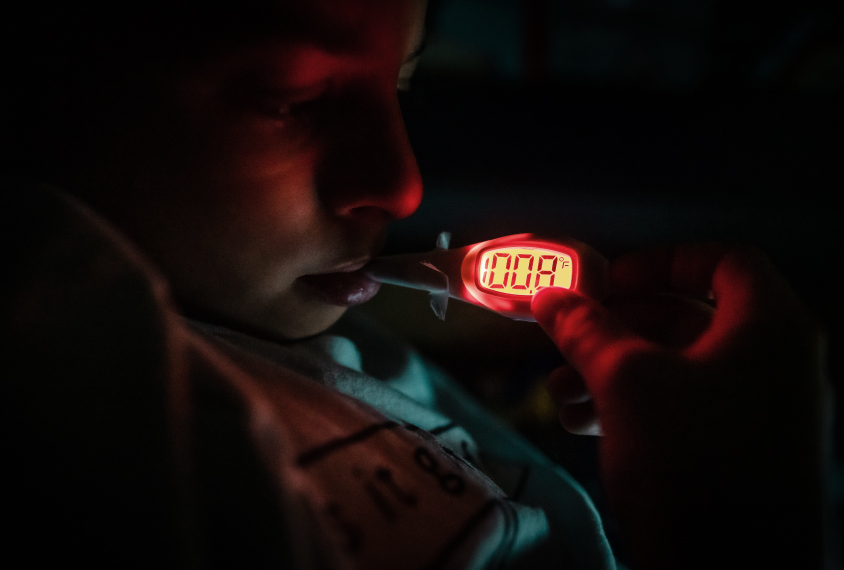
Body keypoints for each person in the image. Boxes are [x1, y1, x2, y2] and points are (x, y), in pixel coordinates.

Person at [2, 0, 831, 568]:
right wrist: (740, 539)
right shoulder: (87, 386)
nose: (404, 186)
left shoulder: (293, 312)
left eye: (402, 85)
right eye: (288, 96)